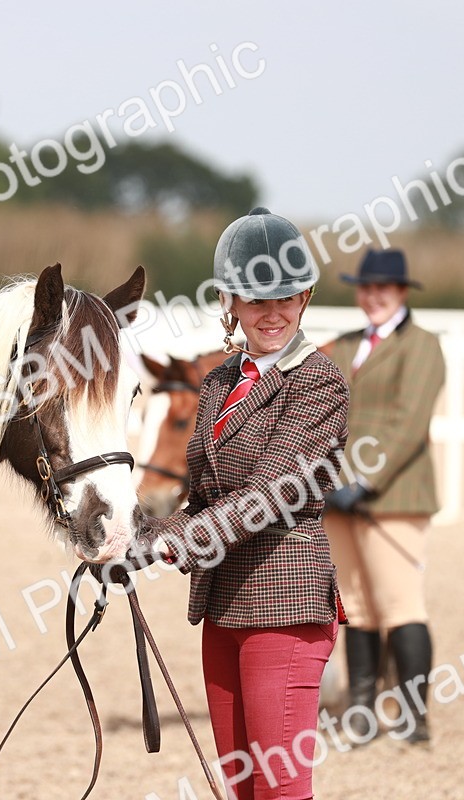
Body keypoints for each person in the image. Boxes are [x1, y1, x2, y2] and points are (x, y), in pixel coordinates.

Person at [148, 208, 349, 800]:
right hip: (224, 607)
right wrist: (138, 536)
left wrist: (174, 541)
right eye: (257, 299)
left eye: (287, 296)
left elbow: (268, 495)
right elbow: (207, 497)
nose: (273, 312)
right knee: (242, 789)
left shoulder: (317, 382)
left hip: (285, 605)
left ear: (306, 296)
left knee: (281, 788)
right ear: (229, 301)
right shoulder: (216, 382)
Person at [322, 249, 446, 747]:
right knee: (355, 606)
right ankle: (362, 708)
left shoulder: (421, 346)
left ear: (401, 292)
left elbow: (409, 422)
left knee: (400, 604)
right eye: (366, 288)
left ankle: (414, 716)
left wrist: (365, 481)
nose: (373, 296)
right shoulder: (345, 345)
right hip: (337, 495)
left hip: (394, 494)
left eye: (384, 289)